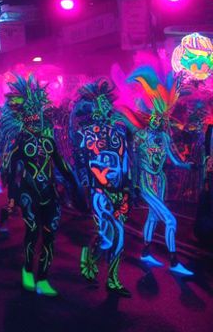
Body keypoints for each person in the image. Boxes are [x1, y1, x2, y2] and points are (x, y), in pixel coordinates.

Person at [1, 74, 84, 297]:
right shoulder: (20, 142)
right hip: (29, 194)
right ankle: (28, 270)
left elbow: (63, 165)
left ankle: (43, 278)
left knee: (49, 236)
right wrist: (12, 196)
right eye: (33, 117)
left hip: (50, 195)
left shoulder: (48, 142)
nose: (37, 121)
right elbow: (13, 172)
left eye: (39, 117)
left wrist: (76, 186)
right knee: (32, 231)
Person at [125, 67, 194, 275]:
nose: (157, 120)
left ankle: (145, 252)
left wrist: (188, 165)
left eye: (161, 118)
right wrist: (133, 186)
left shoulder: (164, 137)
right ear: (150, 117)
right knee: (170, 220)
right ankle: (174, 261)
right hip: (146, 181)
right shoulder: (141, 136)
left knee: (153, 218)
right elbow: (134, 162)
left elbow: (173, 159)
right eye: (155, 116)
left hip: (160, 181)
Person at [72, 80, 132, 296]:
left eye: (107, 104)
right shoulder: (85, 135)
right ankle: (89, 254)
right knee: (105, 235)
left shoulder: (119, 135)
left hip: (117, 193)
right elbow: (79, 164)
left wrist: (126, 195)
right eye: (100, 104)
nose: (104, 109)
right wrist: (85, 189)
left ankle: (113, 279)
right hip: (98, 194)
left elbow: (126, 166)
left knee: (120, 237)